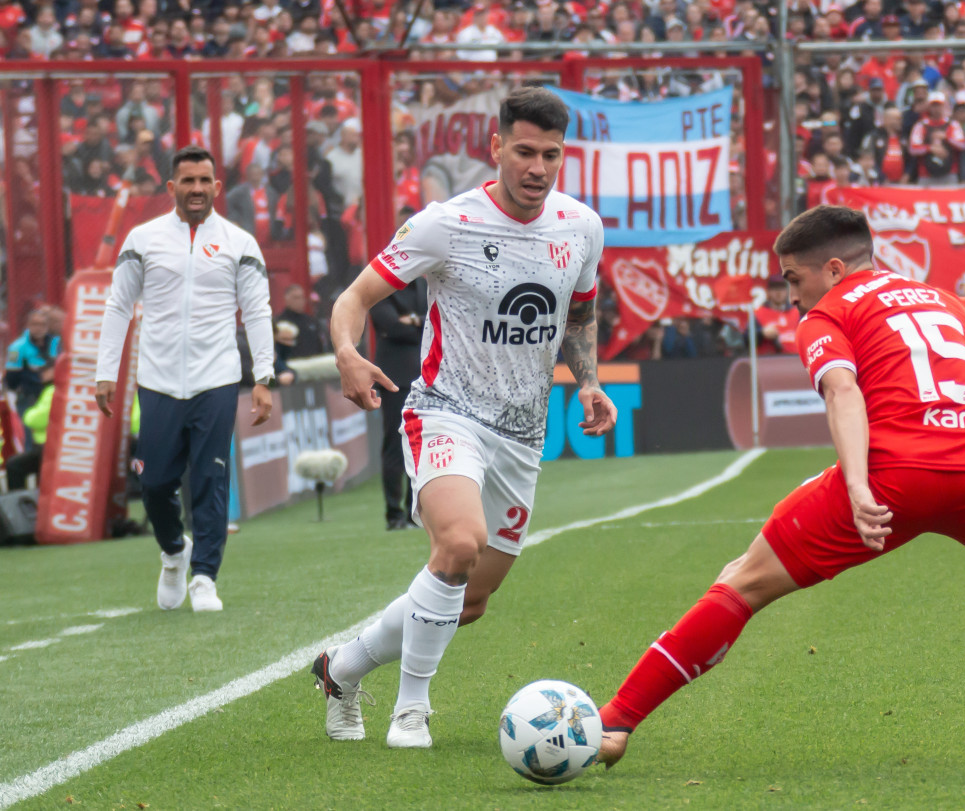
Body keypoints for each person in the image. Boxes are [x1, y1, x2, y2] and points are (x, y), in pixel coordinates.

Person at [595, 206, 965, 768]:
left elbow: (842, 391)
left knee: (743, 581)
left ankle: (616, 723)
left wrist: (858, 485)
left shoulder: (830, 313)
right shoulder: (949, 303)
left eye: (792, 278)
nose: (792, 293)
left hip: (894, 480)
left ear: (833, 269)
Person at [309, 87, 617, 749]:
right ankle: (410, 710)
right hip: (444, 412)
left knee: (468, 599)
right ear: (497, 147)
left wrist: (588, 381)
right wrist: (346, 352)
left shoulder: (581, 227)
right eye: (525, 151)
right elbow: (354, 297)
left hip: (521, 434)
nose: (537, 167)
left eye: (551, 155)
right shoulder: (444, 225)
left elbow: (580, 312)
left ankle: (341, 667)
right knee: (456, 543)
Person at [95, 145, 275, 614]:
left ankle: (204, 578)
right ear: (171, 188)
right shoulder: (142, 238)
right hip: (156, 381)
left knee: (211, 481)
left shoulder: (240, 243)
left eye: (204, 181)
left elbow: (257, 310)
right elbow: (117, 307)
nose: (196, 189)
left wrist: (264, 374)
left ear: (217, 187)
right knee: (153, 484)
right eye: (187, 181)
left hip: (216, 378)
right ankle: (175, 552)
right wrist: (105, 372)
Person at [369, 274, 428, 530]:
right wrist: (418, 323)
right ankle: (394, 514)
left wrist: (412, 321)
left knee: (421, 446)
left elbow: (436, 322)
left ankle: (414, 511)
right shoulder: (381, 287)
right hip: (392, 377)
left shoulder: (424, 285)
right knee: (395, 444)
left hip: (424, 374)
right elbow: (389, 326)